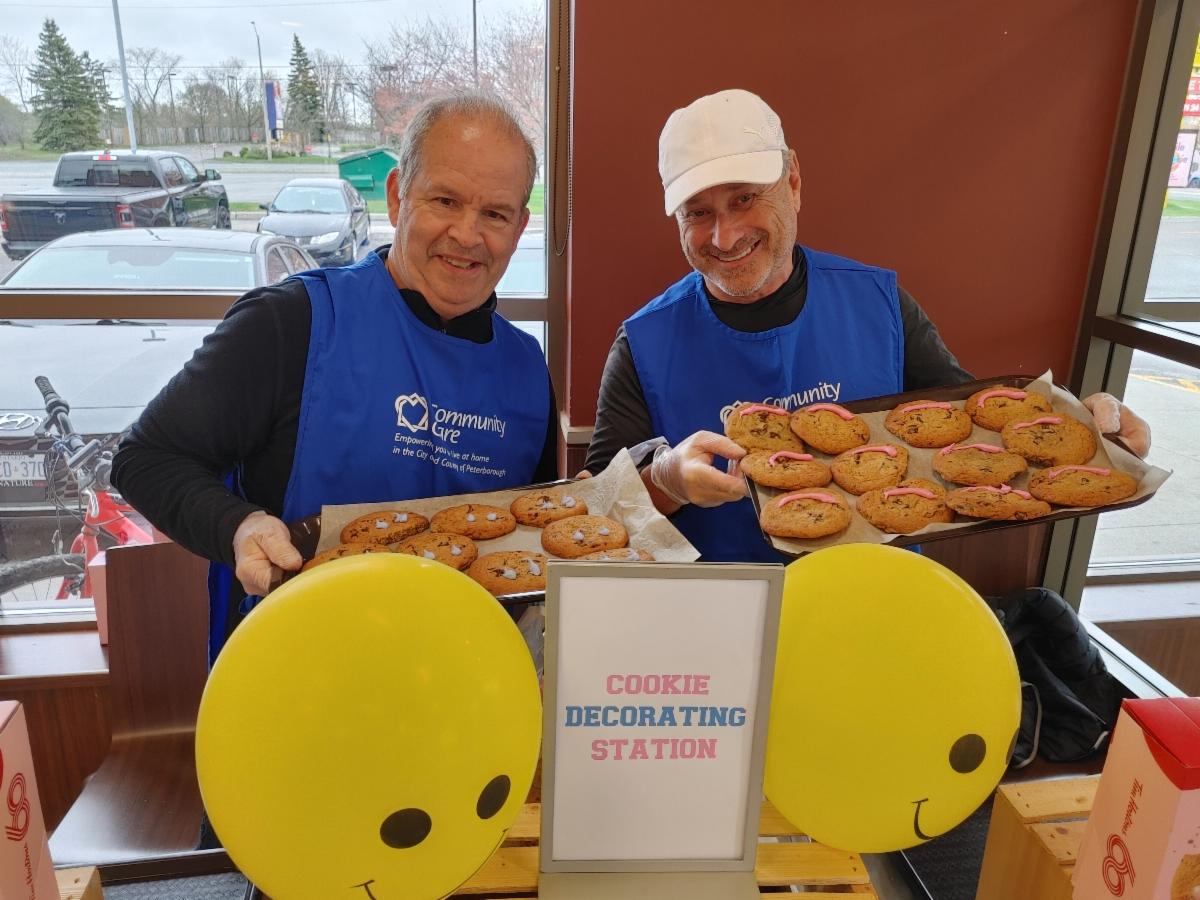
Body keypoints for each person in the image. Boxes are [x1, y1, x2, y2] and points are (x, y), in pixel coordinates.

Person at [582, 88, 1150, 562]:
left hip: (877, 605)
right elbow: (597, 513)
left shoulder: (879, 303)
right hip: (719, 628)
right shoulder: (645, 343)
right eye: (697, 213)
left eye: (745, 198)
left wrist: (1093, 437)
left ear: (794, 180)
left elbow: (980, 434)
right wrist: (665, 481)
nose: (724, 236)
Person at [113, 92, 557, 660]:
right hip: (298, 672)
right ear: (398, 198)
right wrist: (240, 526)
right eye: (445, 200)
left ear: (519, 227)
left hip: (460, 682)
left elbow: (524, 540)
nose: (468, 235)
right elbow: (145, 458)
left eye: (494, 213)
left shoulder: (525, 371)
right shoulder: (292, 322)